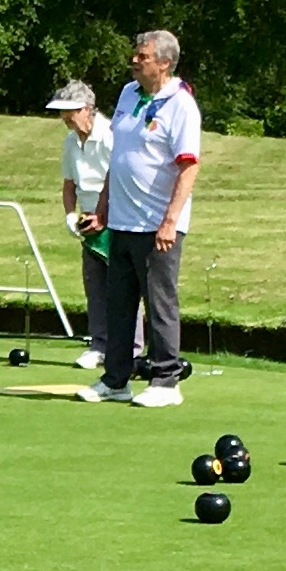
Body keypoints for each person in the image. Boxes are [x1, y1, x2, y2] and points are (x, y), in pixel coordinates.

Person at [76, 29, 201, 408]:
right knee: (119, 304)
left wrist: (170, 221)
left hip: (157, 225)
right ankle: (116, 378)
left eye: (142, 56)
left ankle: (166, 381)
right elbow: (121, 157)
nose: (134, 60)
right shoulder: (129, 94)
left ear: (164, 62)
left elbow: (189, 168)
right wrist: (103, 205)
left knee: (160, 303)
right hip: (122, 221)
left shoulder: (180, 105)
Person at [45, 79, 142, 370]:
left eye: (70, 111)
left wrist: (104, 215)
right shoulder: (71, 141)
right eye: (62, 111)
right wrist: (70, 215)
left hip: (117, 217)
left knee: (125, 288)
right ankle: (100, 344)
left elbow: (121, 180)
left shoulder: (111, 135)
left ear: (87, 109)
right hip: (88, 220)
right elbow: (69, 184)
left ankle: (132, 350)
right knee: (95, 287)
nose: (65, 117)